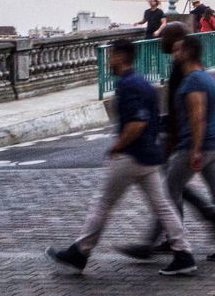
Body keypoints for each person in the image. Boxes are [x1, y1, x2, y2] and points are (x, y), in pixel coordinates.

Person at [47, 39, 197, 276]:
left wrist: (118, 145)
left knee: (103, 204)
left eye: (111, 56)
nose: (108, 60)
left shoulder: (128, 85)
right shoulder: (144, 84)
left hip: (130, 156)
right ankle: (183, 252)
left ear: (120, 56)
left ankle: (80, 252)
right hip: (150, 155)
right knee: (163, 207)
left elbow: (138, 122)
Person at [119, 22, 215, 260]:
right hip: (180, 136)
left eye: (162, 37)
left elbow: (187, 110)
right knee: (171, 186)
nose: (158, 40)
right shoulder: (182, 66)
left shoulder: (181, 69)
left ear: (176, 40)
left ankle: (164, 241)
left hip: (181, 138)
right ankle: (184, 229)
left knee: (166, 189)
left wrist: (172, 140)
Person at [164, 35, 215, 262]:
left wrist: (196, 149)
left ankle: (178, 246)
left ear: (188, 53)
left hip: (194, 145)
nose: (174, 54)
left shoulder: (193, 81)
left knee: (169, 191)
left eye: (178, 50)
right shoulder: (211, 78)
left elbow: (197, 116)